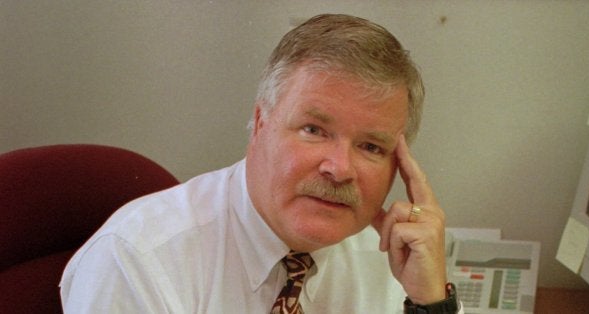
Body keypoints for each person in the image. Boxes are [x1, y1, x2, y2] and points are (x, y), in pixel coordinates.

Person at [60, 14, 462, 313]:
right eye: (313, 130)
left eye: (371, 147)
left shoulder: (391, 258)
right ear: (259, 124)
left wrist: (431, 303)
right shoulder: (136, 259)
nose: (339, 169)